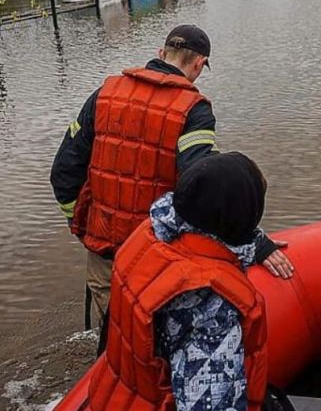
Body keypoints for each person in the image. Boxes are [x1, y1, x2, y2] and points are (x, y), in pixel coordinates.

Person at [50, 25, 291, 331]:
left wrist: (84, 226)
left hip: (104, 255)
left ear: (161, 54)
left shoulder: (104, 94)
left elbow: (62, 172)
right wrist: (253, 241)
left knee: (112, 348)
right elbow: (205, 191)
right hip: (157, 258)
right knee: (155, 351)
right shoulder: (194, 111)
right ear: (199, 64)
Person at [88, 152, 292, 411]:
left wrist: (255, 246)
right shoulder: (210, 305)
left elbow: (198, 240)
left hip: (116, 393)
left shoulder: (148, 236)